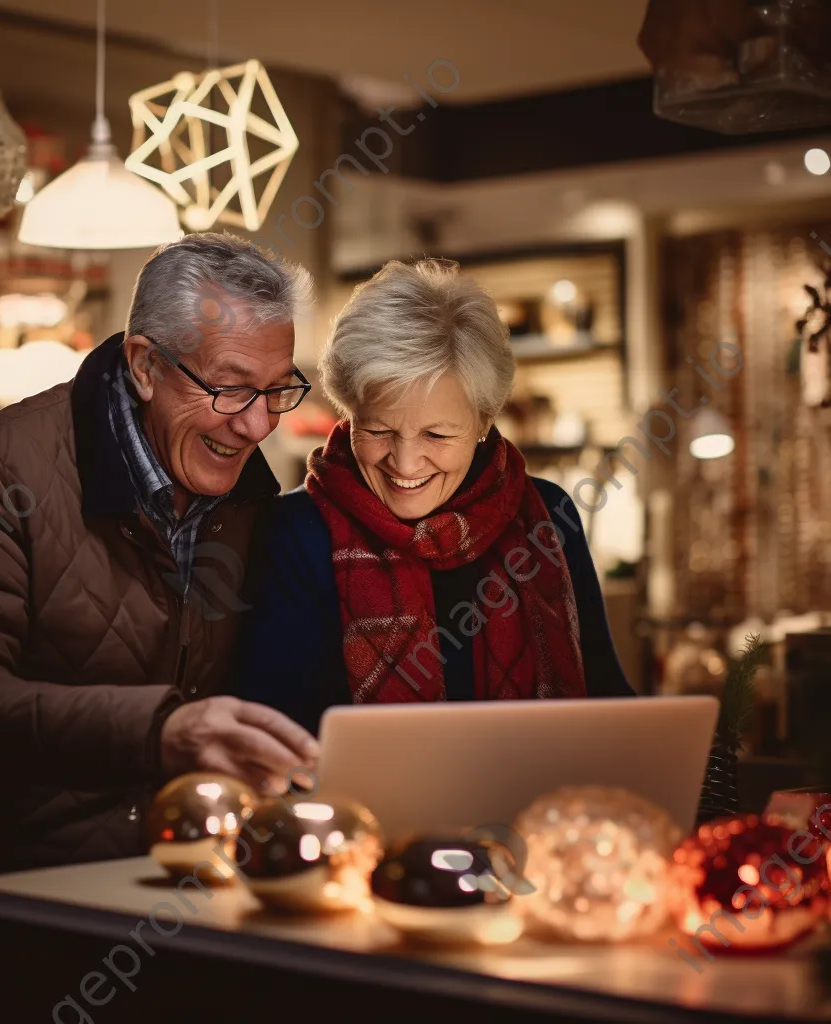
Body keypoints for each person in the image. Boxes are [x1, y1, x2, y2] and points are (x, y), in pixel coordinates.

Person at [0, 233, 319, 885]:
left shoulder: (247, 496)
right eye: (230, 388)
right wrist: (159, 730)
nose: (258, 426)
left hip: (163, 895)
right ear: (144, 365)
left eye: (279, 390)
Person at [235, 259, 634, 736]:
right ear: (349, 413)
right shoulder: (295, 532)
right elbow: (273, 733)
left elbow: (606, 700)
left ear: (483, 422)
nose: (405, 464)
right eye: (379, 429)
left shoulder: (547, 517)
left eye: (437, 435)